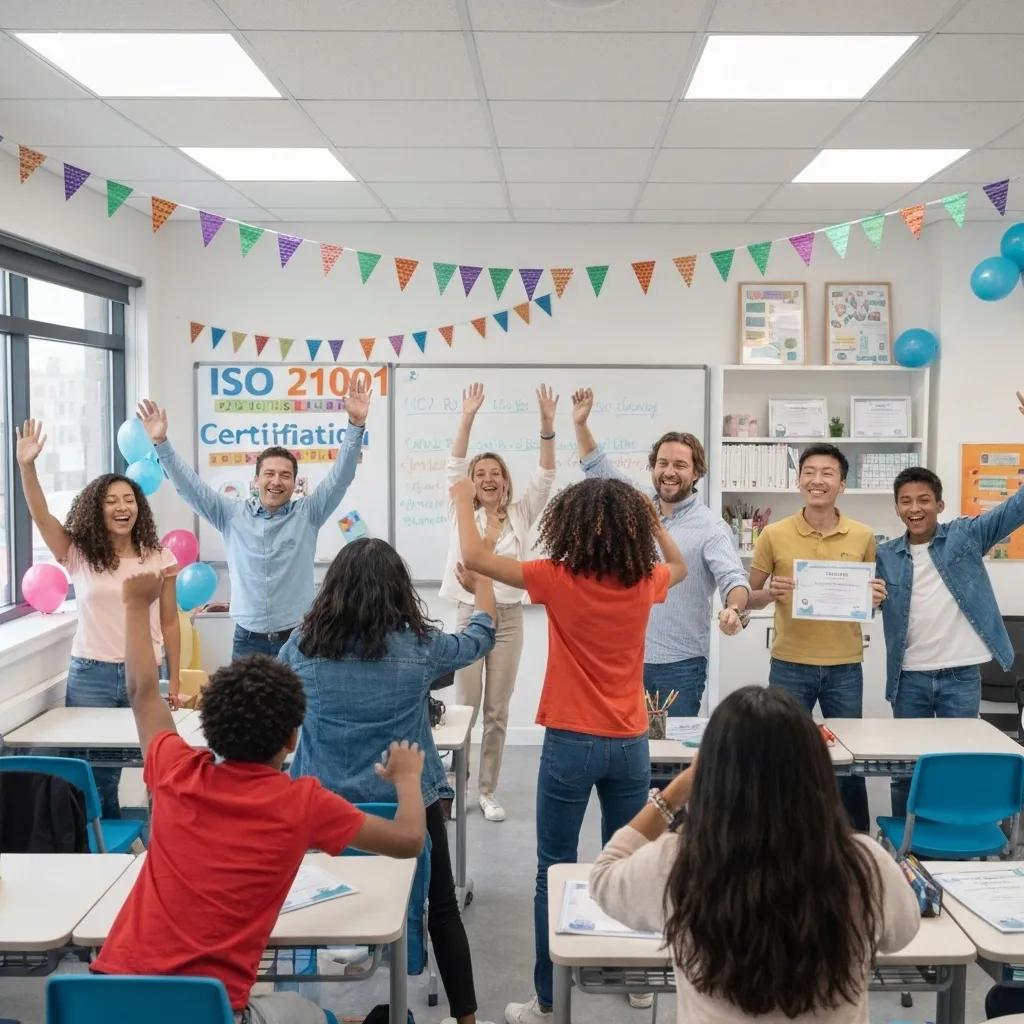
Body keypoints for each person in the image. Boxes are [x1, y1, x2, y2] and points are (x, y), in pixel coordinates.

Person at [92, 571, 426, 1024]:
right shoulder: (302, 804)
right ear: (291, 738)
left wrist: (134, 606)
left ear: (211, 730)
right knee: (312, 1015)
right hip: (210, 1014)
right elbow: (408, 839)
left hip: (102, 1004)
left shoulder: (175, 771)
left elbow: (142, 691)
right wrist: (407, 778)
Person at [452, 474, 687, 1024]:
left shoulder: (556, 577)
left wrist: (464, 499)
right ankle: (637, 985)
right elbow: (677, 567)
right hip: (630, 743)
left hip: (569, 742)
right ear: (632, 532)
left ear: (571, 527)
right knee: (629, 861)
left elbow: (473, 555)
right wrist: (656, 526)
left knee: (552, 868)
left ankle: (548, 1000)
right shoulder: (644, 579)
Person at [590, 685, 920, 1024]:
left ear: (712, 775)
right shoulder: (863, 863)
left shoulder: (679, 861)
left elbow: (603, 876)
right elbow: (904, 933)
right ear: (815, 770)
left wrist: (677, 788)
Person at [279, 537, 497, 1024]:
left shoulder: (301, 646)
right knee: (441, 909)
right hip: (404, 811)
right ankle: (468, 1020)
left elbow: (273, 696)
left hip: (321, 811)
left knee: (289, 905)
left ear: (332, 589)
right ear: (399, 591)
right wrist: (481, 587)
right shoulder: (420, 649)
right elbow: (481, 638)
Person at [15, 417, 181, 819]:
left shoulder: (158, 556)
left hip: (143, 674)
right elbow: (41, 516)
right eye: (111, 500)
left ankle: (158, 839)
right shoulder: (78, 554)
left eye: (129, 499)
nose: (122, 507)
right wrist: (27, 466)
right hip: (90, 674)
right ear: (97, 508)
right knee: (95, 768)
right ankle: (110, 842)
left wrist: (174, 679)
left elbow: (170, 620)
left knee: (157, 763)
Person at [136, 381, 371, 661]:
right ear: (256, 480)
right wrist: (161, 443)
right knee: (246, 707)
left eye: (285, 475)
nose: (276, 481)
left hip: (300, 639)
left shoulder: (309, 513)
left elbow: (340, 478)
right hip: (248, 640)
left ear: (295, 483)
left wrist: (356, 424)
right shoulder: (231, 514)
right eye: (269, 474)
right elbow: (189, 487)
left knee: (301, 707)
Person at [876, 394, 1024, 816]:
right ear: (897, 507)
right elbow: (861, 603)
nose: (914, 508)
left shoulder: (965, 536)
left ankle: (960, 839)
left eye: (924, 500)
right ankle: (907, 847)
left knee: (962, 764)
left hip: (961, 675)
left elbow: (1019, 506)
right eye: (906, 501)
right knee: (906, 767)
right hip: (909, 678)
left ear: (939, 505)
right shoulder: (885, 553)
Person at [572, 387, 750, 716]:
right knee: (627, 752)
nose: (669, 471)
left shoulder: (710, 527)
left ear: (696, 473)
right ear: (653, 467)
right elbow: (599, 470)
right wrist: (581, 425)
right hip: (626, 658)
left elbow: (733, 578)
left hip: (680, 666)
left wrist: (733, 610)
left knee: (671, 756)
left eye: (680, 465)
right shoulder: (636, 506)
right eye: (663, 463)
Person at [747, 443, 885, 833]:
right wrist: (769, 591)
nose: (817, 480)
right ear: (799, 480)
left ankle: (853, 839)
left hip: (844, 664)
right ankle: (780, 835)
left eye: (827, 473)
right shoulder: (774, 534)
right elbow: (747, 597)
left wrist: (875, 597)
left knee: (848, 760)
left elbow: (870, 600)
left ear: (842, 483)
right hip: (790, 663)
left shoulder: (862, 535)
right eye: (809, 472)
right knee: (782, 754)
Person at [440, 383, 558, 823]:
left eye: (496, 473)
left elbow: (545, 475)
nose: (489, 479)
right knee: (464, 707)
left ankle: (487, 790)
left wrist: (547, 426)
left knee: (498, 710)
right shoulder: (460, 511)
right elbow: (454, 464)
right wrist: (467, 415)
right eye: (481, 472)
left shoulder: (522, 513)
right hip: (471, 614)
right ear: (472, 481)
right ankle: (455, 788)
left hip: (508, 618)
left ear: (505, 480)